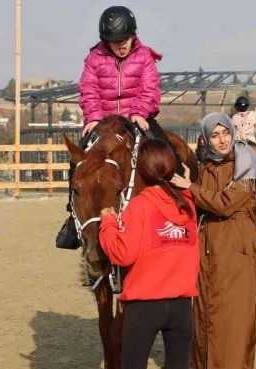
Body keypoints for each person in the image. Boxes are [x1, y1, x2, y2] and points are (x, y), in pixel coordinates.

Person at [99, 139, 199, 369]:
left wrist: (107, 223)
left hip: (145, 305)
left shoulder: (140, 205)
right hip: (181, 306)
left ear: (141, 170)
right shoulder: (188, 205)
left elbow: (122, 253)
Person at [56, 5, 181, 250]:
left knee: (165, 148)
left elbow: (150, 88)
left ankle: (181, 200)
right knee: (77, 160)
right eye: (115, 41)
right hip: (103, 121)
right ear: (106, 41)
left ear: (132, 35)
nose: (120, 45)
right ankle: (72, 216)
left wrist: (140, 112)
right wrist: (93, 117)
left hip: (137, 116)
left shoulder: (144, 56)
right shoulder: (94, 58)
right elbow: (89, 89)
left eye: (124, 39)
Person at [171, 112, 256, 369]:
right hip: (208, 246)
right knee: (208, 312)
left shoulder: (247, 163)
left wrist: (191, 188)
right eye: (214, 135)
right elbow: (200, 205)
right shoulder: (206, 165)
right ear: (206, 138)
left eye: (225, 132)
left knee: (235, 315)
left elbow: (226, 204)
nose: (222, 140)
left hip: (236, 246)